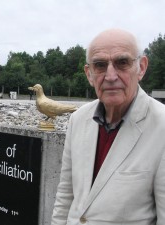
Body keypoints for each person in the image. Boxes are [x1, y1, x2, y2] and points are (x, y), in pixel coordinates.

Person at [51, 28, 165, 225]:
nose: (111, 76)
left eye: (122, 63)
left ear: (142, 67)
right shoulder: (77, 120)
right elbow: (65, 196)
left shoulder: (161, 126)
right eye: (100, 65)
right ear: (89, 74)